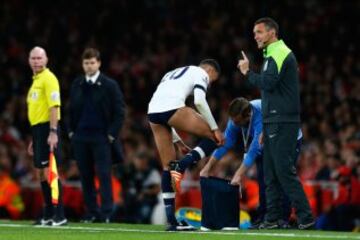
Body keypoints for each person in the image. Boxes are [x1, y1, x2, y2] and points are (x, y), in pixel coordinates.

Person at [237, 17, 314, 229]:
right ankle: (272, 218)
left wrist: (247, 72)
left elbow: (268, 84)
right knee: (270, 172)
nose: (256, 36)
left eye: (259, 32)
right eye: (254, 33)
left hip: (283, 120)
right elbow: (273, 90)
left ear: (272, 33)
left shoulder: (279, 52)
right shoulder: (272, 54)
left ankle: (305, 216)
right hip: (274, 120)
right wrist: (267, 123)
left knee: (283, 170)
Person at [200, 97, 303, 228]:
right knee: (263, 179)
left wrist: (238, 174)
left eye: (237, 122)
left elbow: (254, 149)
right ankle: (264, 218)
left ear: (248, 116)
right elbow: (226, 143)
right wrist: (207, 167)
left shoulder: (261, 114)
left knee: (282, 178)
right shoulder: (236, 119)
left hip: (288, 139)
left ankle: (283, 218)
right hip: (268, 141)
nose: (234, 124)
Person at [147, 59, 224, 231]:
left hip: (152, 112)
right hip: (173, 109)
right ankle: (183, 165)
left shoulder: (171, 74)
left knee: (169, 167)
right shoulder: (201, 72)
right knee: (216, 138)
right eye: (213, 80)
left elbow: (161, 108)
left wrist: (178, 141)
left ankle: (172, 222)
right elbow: (199, 101)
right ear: (210, 71)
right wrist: (215, 128)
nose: (210, 83)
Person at [68, 48, 125, 223]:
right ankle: (92, 212)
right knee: (85, 177)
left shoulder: (109, 85)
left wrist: (111, 135)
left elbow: (120, 111)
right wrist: (71, 132)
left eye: (92, 62)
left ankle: (106, 213)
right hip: (81, 138)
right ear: (82, 64)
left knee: (104, 175)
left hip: (101, 138)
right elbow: (70, 110)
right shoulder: (77, 84)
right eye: (86, 63)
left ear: (99, 63)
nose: (89, 66)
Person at [26, 46, 67, 226]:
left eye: (39, 58)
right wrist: (33, 138)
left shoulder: (49, 78)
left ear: (46, 60)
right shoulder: (36, 81)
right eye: (33, 58)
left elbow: (54, 107)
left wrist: (52, 132)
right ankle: (48, 213)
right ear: (29, 60)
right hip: (38, 130)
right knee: (41, 174)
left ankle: (60, 214)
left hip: (48, 130)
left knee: (51, 172)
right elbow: (38, 110)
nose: (36, 62)